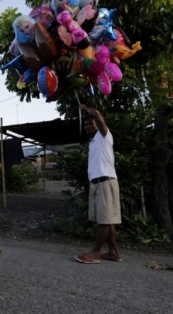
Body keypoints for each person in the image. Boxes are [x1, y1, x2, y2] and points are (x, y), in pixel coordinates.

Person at [75, 104, 122, 264]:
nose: (88, 125)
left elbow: (97, 114)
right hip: (96, 183)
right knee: (105, 219)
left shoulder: (104, 136)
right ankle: (113, 253)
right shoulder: (93, 142)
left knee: (105, 220)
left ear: (98, 124)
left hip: (105, 181)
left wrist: (87, 109)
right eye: (86, 124)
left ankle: (95, 253)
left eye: (91, 123)